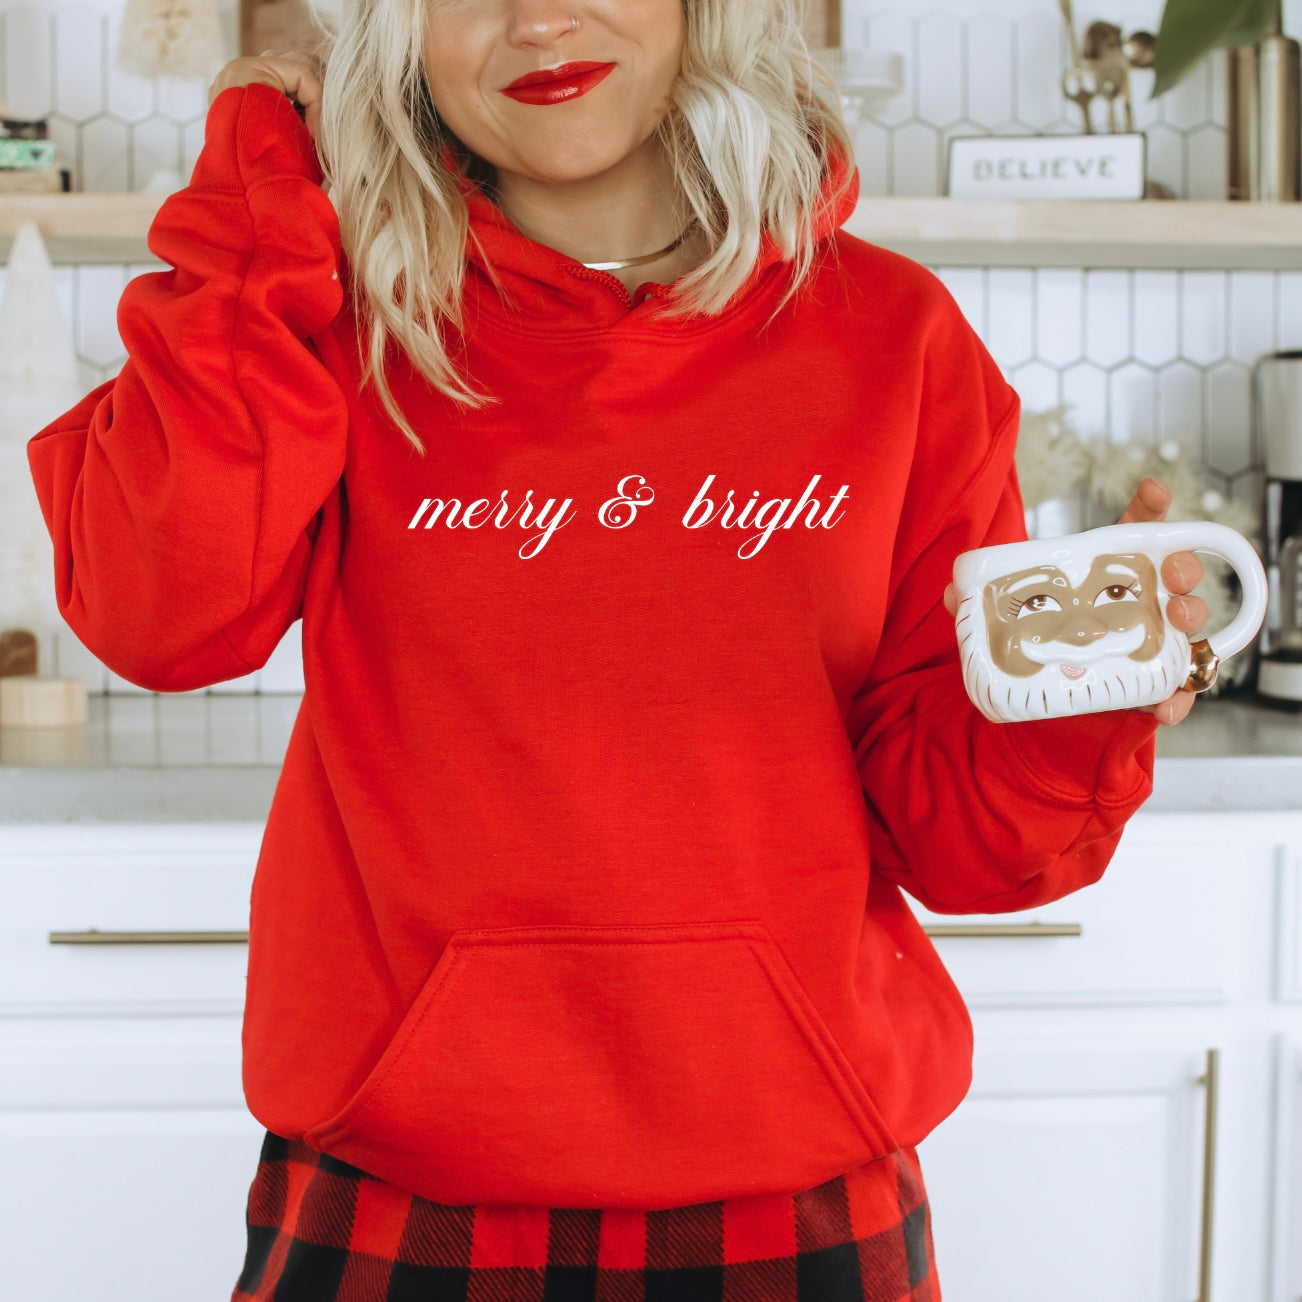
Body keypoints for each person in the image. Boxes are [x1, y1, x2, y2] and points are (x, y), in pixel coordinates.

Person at [25, 1, 1210, 1298]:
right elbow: (155, 609)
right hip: (397, 1192)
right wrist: (264, 198)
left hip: (797, 1191)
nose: (538, 17)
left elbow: (959, 834)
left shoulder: (896, 343)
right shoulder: (335, 322)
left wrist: (1081, 700)